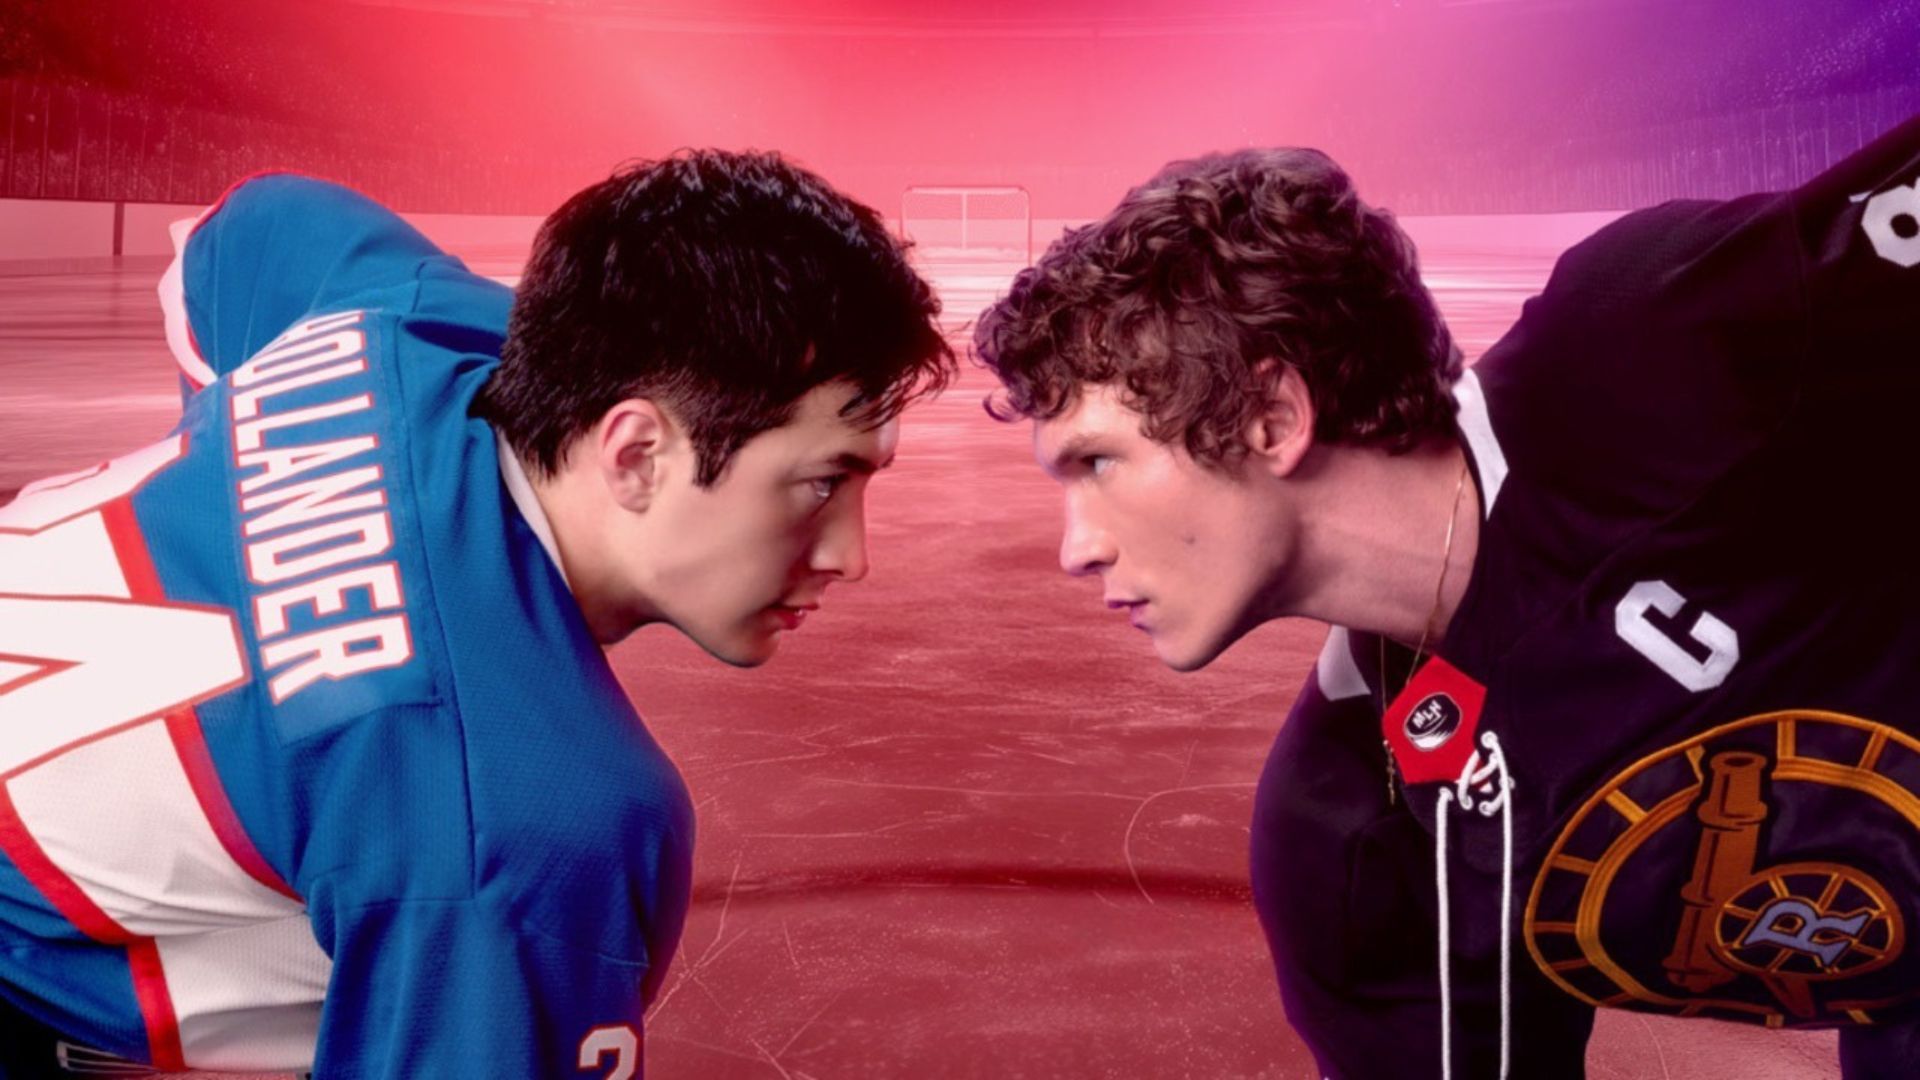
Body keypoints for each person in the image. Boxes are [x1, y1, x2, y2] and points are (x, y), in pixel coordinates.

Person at [974, 114, 1920, 1079]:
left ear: (1269, 418)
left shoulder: (1650, 342)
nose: (1076, 550)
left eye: (1098, 462)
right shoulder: (1353, 837)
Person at [0, 151, 952, 1077]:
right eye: (822, 484)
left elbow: (245, 233)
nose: (850, 555)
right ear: (634, 456)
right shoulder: (538, 820)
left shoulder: (399, 318)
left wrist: (245, 512)